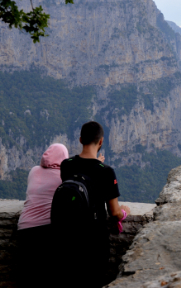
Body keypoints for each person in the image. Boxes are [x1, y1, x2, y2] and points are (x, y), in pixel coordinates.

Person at [59, 121, 131, 288]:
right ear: (101, 142)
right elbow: (114, 212)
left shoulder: (66, 165)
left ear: (80, 139)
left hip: (67, 239)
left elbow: (82, 177)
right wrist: (124, 212)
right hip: (94, 243)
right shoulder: (105, 171)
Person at [16, 143, 69, 287]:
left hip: (24, 228)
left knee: (29, 277)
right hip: (47, 230)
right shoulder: (63, 177)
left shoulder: (33, 171)